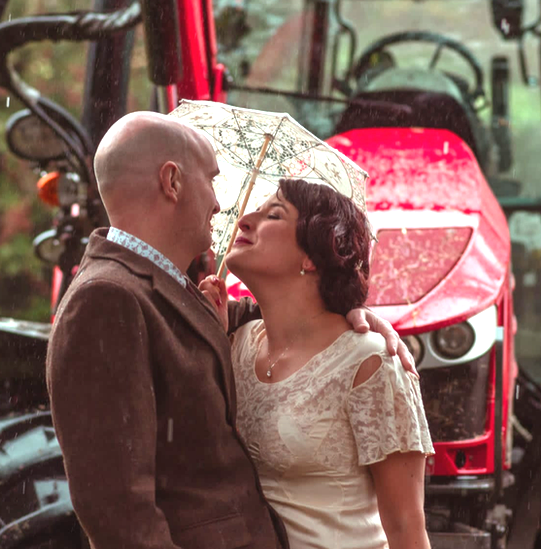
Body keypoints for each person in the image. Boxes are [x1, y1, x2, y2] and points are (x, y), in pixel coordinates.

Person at [46, 112, 414, 549]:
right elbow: (120, 512)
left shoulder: (162, 287)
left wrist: (345, 312)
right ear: (172, 182)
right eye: (211, 180)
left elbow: (256, 318)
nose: (222, 206)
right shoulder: (106, 298)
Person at [200, 179, 435, 549]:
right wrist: (209, 334)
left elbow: (406, 529)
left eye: (273, 214)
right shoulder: (234, 344)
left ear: (313, 254)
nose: (245, 220)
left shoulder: (369, 361)